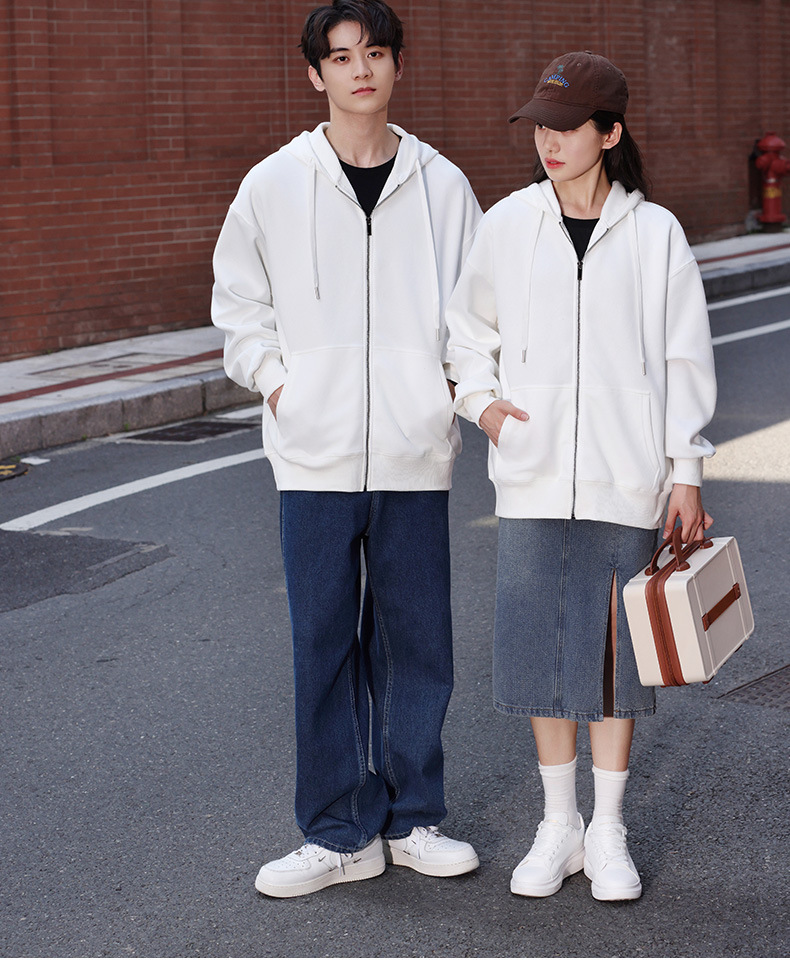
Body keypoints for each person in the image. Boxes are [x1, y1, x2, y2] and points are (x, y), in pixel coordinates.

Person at [211, 0, 481, 899]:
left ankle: (413, 818)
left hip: (414, 454)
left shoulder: (443, 186)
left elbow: (474, 315)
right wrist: (280, 385)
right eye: (340, 56)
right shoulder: (273, 184)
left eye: (374, 53)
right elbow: (238, 305)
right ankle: (338, 832)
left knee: (416, 644)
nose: (360, 69)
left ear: (398, 63)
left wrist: (448, 396)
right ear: (315, 74)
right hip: (314, 458)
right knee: (322, 643)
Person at [445, 51, 716, 901]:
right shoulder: (508, 223)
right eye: (541, 127)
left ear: (610, 133)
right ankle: (558, 823)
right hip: (530, 472)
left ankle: (608, 829)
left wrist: (686, 469)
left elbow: (683, 356)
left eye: (567, 128)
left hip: (625, 475)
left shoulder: (656, 233)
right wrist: (482, 404)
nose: (549, 142)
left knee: (611, 657)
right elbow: (466, 329)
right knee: (538, 647)